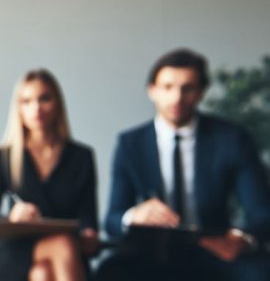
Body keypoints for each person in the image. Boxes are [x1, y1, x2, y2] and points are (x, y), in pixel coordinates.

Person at [98, 48, 270, 281]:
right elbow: (112, 219)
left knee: (259, 272)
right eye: (168, 87)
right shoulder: (131, 144)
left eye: (187, 88)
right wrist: (134, 215)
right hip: (150, 253)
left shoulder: (231, 139)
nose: (177, 97)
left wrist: (242, 238)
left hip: (214, 248)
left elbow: (260, 211)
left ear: (200, 93)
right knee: (110, 273)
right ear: (152, 91)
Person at [0, 69, 98, 281]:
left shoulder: (81, 157)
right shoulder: (4, 157)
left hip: (65, 250)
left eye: (44, 98)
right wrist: (12, 217)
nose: (36, 108)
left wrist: (89, 232)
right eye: (27, 101)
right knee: (63, 245)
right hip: (15, 251)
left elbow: (88, 215)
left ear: (57, 103)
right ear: (18, 108)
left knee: (42, 273)